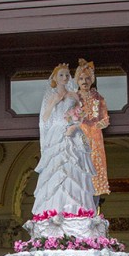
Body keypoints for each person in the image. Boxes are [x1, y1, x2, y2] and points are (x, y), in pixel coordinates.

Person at [32, 63, 97, 217]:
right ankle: (54, 208)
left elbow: (82, 115)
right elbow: (45, 118)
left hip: (71, 131)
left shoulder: (74, 95)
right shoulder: (52, 96)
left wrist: (74, 126)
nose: (65, 77)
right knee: (56, 166)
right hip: (56, 132)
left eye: (67, 75)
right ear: (55, 78)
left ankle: (76, 206)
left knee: (74, 164)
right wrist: (54, 102)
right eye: (61, 75)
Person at [74, 58, 110, 201]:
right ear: (77, 81)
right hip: (80, 132)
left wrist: (101, 123)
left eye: (87, 78)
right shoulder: (74, 98)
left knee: (95, 163)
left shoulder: (98, 97)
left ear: (92, 80)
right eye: (81, 78)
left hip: (95, 134)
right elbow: (68, 117)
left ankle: (94, 192)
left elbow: (104, 117)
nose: (84, 81)